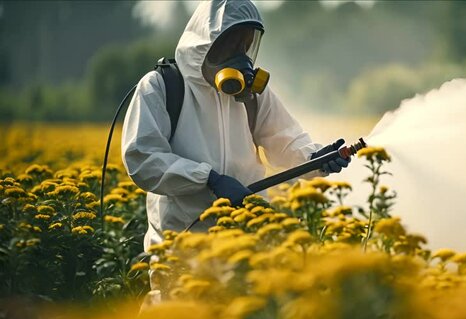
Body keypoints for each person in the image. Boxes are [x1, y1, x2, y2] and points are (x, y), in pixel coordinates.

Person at [121, 0, 349, 250]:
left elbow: (285, 139)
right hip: (181, 249)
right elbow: (142, 158)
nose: (240, 59)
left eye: (246, 46)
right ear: (204, 46)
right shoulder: (162, 86)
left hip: (248, 242)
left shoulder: (254, 93)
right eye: (231, 47)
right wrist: (209, 179)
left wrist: (314, 158)